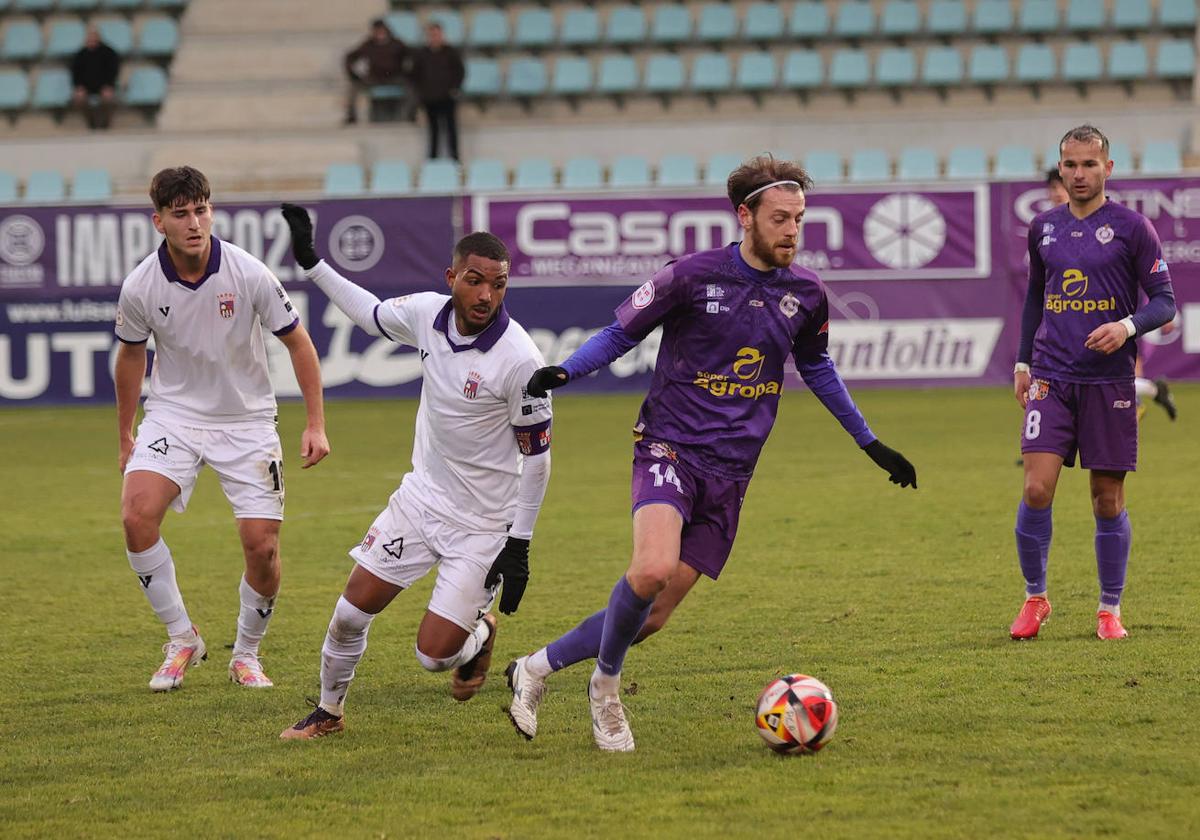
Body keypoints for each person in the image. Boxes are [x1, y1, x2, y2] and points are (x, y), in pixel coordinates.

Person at [503, 155, 918, 752]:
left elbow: (817, 366)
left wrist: (870, 442)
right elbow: (622, 332)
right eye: (781, 219)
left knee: (651, 615)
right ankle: (606, 689)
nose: (792, 232)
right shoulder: (690, 277)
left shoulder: (806, 293)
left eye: (800, 219)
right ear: (744, 216)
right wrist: (567, 370)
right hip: (669, 447)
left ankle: (536, 669)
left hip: (733, 472)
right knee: (649, 570)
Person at [277, 205, 553, 740]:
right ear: (451, 278)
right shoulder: (428, 313)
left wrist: (518, 544)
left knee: (432, 657)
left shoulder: (520, 360)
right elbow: (371, 313)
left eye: (497, 285)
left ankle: (477, 636)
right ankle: (329, 712)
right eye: (473, 281)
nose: (485, 296)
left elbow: (538, 458)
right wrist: (312, 261)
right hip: (420, 503)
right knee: (349, 614)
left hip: (483, 527)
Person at [115, 167, 330, 692]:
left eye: (202, 209)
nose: (195, 222)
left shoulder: (248, 272)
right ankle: (180, 637)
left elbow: (299, 343)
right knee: (136, 516)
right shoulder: (141, 285)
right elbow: (130, 356)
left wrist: (316, 424)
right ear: (159, 221)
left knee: (262, 547)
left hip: (247, 420)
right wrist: (126, 433)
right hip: (173, 416)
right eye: (182, 214)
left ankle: (247, 655)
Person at [1010, 125, 1175, 642]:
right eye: (1070, 165)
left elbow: (1164, 302)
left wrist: (1126, 326)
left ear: (1108, 168)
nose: (1079, 174)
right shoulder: (1043, 228)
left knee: (1106, 498)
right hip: (1052, 375)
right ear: (1060, 168)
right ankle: (1035, 598)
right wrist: (1021, 363)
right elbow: (1036, 298)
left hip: (1109, 381)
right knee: (1036, 487)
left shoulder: (1132, 228)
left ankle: (1109, 608)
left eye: (1089, 164)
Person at [409, 22, 464, 160]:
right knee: (433, 130)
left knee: (451, 128)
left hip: (447, 97)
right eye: (432, 34)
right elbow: (414, 75)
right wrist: (421, 93)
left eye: (437, 34)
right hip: (429, 98)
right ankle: (432, 158)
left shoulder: (451, 52)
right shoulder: (421, 54)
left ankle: (455, 158)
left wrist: (454, 88)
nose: (435, 37)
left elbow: (460, 72)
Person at [343, 18, 410, 125]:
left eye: (381, 30)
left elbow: (412, 55)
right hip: (374, 78)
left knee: (411, 87)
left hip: (394, 77)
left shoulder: (396, 43)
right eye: (377, 30)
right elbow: (350, 57)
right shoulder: (368, 44)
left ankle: (410, 115)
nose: (379, 33)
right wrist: (354, 75)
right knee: (353, 88)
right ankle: (352, 116)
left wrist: (407, 72)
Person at [71, 25, 119, 130]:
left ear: (98, 38)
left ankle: (104, 123)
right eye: (90, 37)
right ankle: (91, 122)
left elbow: (113, 71)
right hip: (86, 87)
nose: (92, 39)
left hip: (105, 86)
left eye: (94, 37)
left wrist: (109, 86)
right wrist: (79, 87)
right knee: (79, 99)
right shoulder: (80, 55)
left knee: (109, 100)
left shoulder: (109, 53)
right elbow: (75, 73)